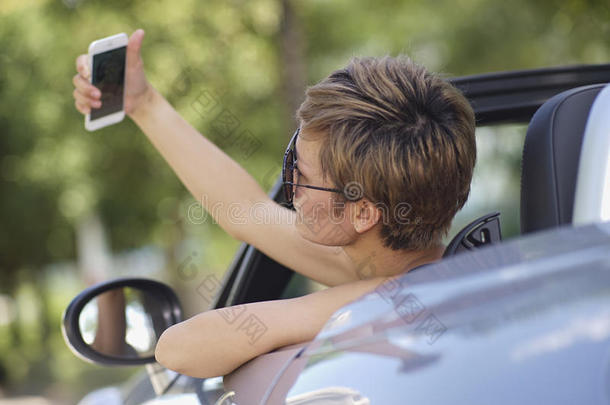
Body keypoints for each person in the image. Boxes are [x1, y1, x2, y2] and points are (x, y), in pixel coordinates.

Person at [71, 29, 476, 378]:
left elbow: (177, 347)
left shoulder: (397, 298)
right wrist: (144, 104)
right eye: (291, 161)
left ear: (364, 213)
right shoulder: (402, 265)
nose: (290, 188)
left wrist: (348, 303)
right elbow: (245, 211)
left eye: (303, 175)